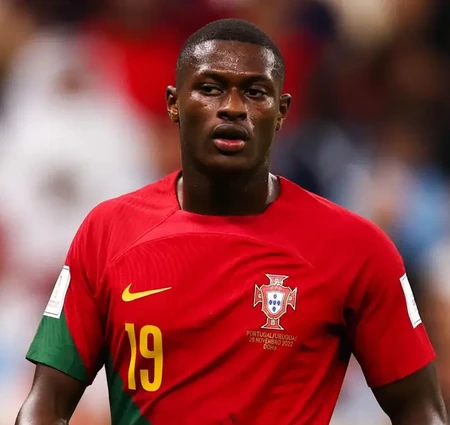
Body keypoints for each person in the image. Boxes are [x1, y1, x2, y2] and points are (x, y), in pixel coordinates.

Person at [15, 19, 447, 425]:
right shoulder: (108, 232)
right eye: (210, 88)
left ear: (282, 111)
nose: (233, 108)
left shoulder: (357, 248)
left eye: (255, 92)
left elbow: (421, 409)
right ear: (173, 104)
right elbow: (45, 403)